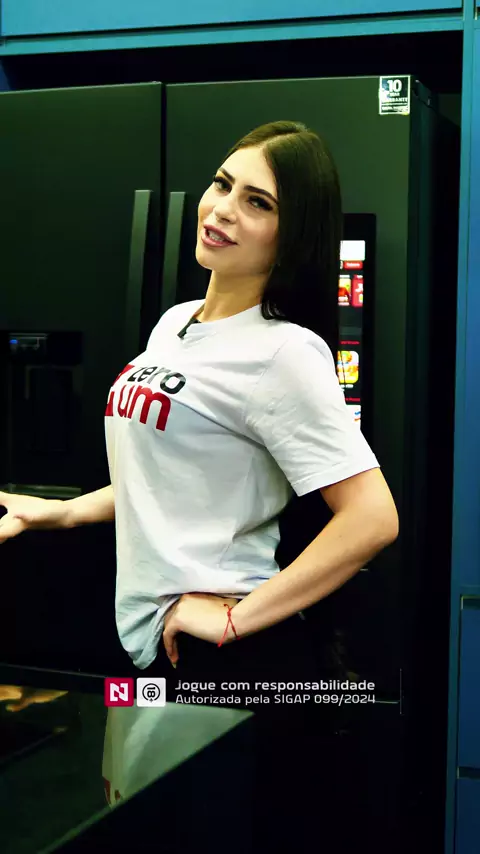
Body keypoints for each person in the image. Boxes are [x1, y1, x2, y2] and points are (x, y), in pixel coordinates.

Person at [0, 120, 398, 851]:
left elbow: (372, 518)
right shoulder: (177, 324)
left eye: (258, 203)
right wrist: (52, 514)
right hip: (149, 644)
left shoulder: (284, 353)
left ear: (291, 235)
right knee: (129, 815)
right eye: (222, 184)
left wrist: (237, 619)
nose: (222, 209)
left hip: (223, 659)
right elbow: (167, 482)